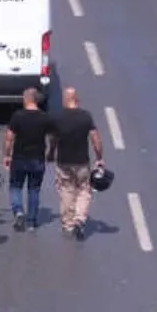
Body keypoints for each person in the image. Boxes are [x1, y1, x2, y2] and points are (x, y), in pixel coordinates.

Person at [47, 87, 104, 240]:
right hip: (82, 162)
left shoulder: (58, 117)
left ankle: (68, 224)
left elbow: (53, 139)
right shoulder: (86, 117)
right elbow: (95, 139)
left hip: (63, 161)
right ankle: (80, 219)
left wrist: (51, 153)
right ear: (76, 99)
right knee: (84, 190)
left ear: (65, 100)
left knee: (66, 191)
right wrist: (99, 158)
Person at [3, 88, 53, 232]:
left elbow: (9, 138)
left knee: (15, 186)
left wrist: (7, 155)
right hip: (37, 159)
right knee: (34, 189)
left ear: (26, 99)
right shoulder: (45, 117)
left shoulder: (18, 116)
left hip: (19, 158)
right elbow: (53, 137)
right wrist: (51, 152)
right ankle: (31, 221)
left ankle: (18, 211)